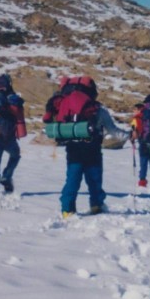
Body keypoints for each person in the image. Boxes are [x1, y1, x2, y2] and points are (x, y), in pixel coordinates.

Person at [45, 76, 127, 217]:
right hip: (92, 148)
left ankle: (67, 210)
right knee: (94, 179)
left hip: (73, 149)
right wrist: (130, 136)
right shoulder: (97, 109)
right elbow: (113, 131)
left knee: (72, 179)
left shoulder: (64, 106)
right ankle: (96, 205)